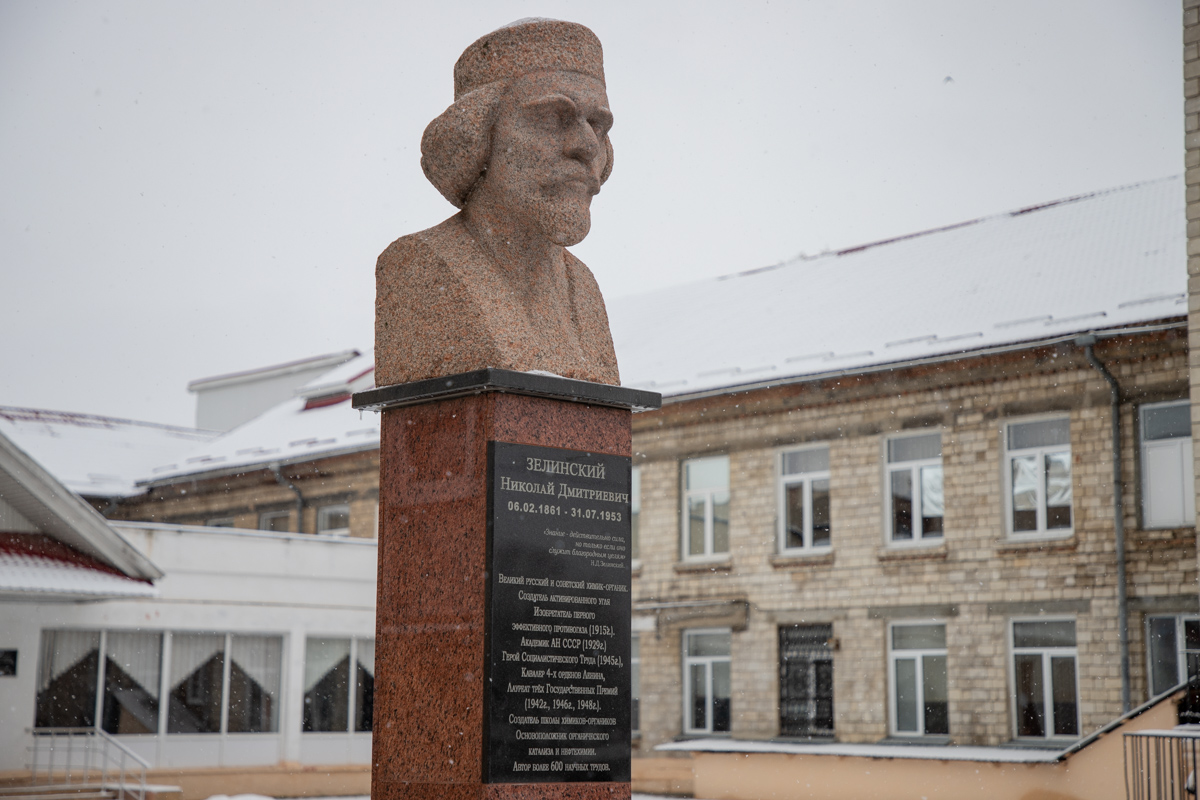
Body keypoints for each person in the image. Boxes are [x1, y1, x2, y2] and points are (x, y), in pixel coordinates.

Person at [375, 18, 621, 387]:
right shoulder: (417, 266)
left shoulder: (584, 288)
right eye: (553, 118)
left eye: (598, 126)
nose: (588, 146)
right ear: (478, 134)